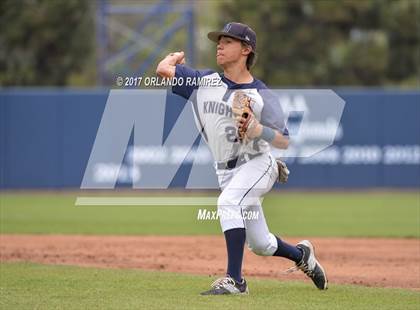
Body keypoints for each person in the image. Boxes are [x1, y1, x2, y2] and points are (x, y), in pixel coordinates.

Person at [156, 22, 328, 295]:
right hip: (226, 172)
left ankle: (235, 281)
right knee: (261, 244)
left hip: (257, 164)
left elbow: (283, 139)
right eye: (219, 41)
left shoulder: (261, 95)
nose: (220, 46)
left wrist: (259, 130)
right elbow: (163, 70)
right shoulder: (204, 81)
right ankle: (302, 255)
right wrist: (175, 58)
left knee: (227, 202)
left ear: (246, 49)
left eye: (228, 41)